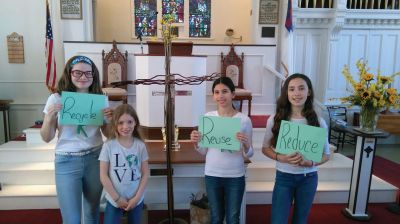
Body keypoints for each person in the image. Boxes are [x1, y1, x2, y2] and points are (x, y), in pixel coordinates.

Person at [40, 55, 113, 224]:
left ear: (93, 75)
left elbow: (108, 133)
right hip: (66, 159)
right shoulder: (56, 98)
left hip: (95, 157)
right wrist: (49, 118)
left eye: (88, 73)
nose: (83, 77)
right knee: (71, 218)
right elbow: (46, 137)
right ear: (69, 73)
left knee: (92, 212)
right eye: (78, 73)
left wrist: (109, 120)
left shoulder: (100, 98)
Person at [261, 73, 330, 224]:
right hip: (284, 177)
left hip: (308, 178)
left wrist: (310, 163)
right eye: (291, 89)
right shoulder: (275, 119)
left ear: (309, 91)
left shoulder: (318, 121)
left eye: (301, 88)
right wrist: (281, 158)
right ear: (286, 93)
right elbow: (265, 148)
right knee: (278, 220)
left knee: (300, 220)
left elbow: (326, 155)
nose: (296, 93)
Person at [190, 77, 254, 224]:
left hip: (235, 176)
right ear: (213, 96)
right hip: (212, 175)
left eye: (224, 91)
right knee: (216, 217)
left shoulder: (244, 120)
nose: (220, 96)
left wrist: (245, 144)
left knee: (233, 218)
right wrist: (196, 143)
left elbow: (249, 154)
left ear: (233, 94)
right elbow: (203, 151)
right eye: (217, 92)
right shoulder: (208, 118)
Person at [99, 104, 149, 224]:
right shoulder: (108, 146)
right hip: (114, 199)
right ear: (114, 124)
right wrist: (117, 198)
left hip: (135, 199)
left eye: (129, 122)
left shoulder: (140, 146)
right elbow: (103, 175)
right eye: (121, 122)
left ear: (135, 123)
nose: (125, 126)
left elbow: (145, 173)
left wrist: (136, 198)